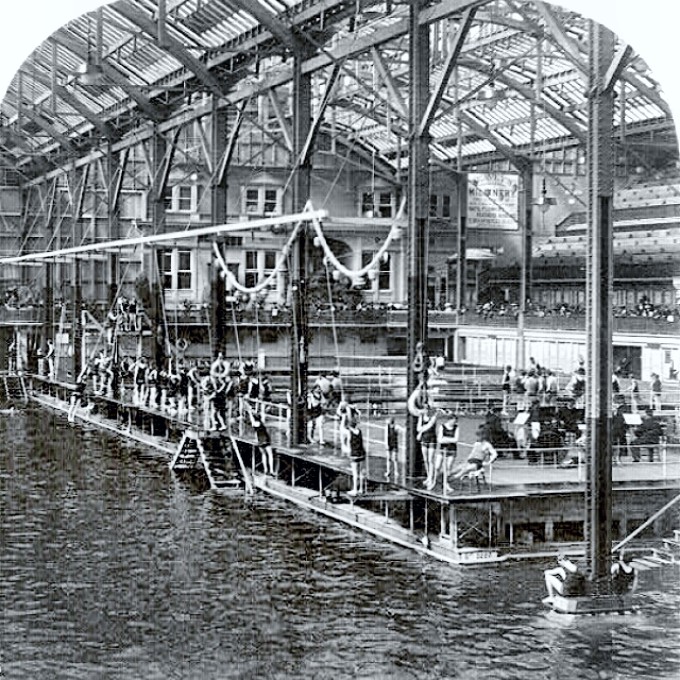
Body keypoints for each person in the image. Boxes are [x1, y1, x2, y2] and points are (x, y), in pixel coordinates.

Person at [437, 411, 459, 494]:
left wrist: (445, 439)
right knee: (437, 466)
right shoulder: (442, 427)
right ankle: (436, 480)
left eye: (455, 421)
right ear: (449, 420)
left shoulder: (456, 427)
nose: (455, 422)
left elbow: (456, 440)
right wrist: (450, 439)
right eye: (453, 420)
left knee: (448, 467)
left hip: (452, 450)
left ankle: (445, 483)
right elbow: (439, 440)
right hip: (442, 449)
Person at [417, 405, 438, 490]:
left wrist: (420, 432)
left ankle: (431, 478)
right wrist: (420, 431)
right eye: (424, 409)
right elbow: (418, 428)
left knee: (430, 460)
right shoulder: (421, 417)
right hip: (424, 439)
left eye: (427, 409)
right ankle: (429, 476)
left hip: (432, 439)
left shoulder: (433, 417)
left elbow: (429, 426)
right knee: (425, 460)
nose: (426, 411)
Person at [249, 406, 275, 476]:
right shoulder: (261, 423)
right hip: (266, 439)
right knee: (270, 455)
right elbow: (263, 415)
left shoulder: (254, 424)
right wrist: (265, 410)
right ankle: (271, 470)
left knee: (263, 455)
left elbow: (251, 419)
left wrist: (250, 413)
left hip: (259, 440)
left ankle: (265, 469)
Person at [347, 416, 366, 496]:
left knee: (355, 473)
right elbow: (362, 442)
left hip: (354, 454)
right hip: (361, 453)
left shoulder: (349, 433)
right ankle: (361, 489)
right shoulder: (360, 431)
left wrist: (348, 453)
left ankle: (355, 489)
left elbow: (349, 443)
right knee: (361, 472)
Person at [384, 417, 400, 483]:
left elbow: (399, 432)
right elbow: (385, 436)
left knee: (395, 459)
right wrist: (386, 444)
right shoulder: (387, 427)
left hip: (394, 444)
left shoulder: (396, 427)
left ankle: (396, 471)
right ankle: (388, 471)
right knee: (388, 458)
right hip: (389, 443)